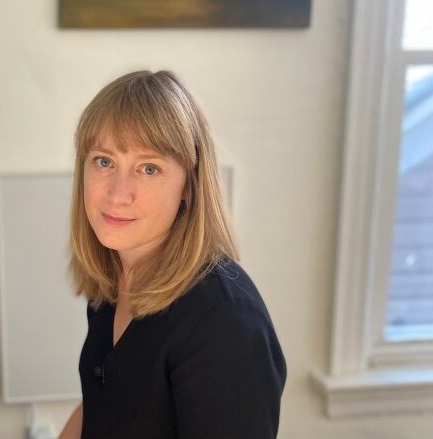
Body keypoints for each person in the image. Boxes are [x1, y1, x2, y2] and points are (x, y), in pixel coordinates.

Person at [58, 70, 287, 439]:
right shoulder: (113, 281)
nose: (118, 193)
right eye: (104, 161)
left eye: (148, 169)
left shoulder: (225, 326)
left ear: (188, 187)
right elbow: (101, 406)